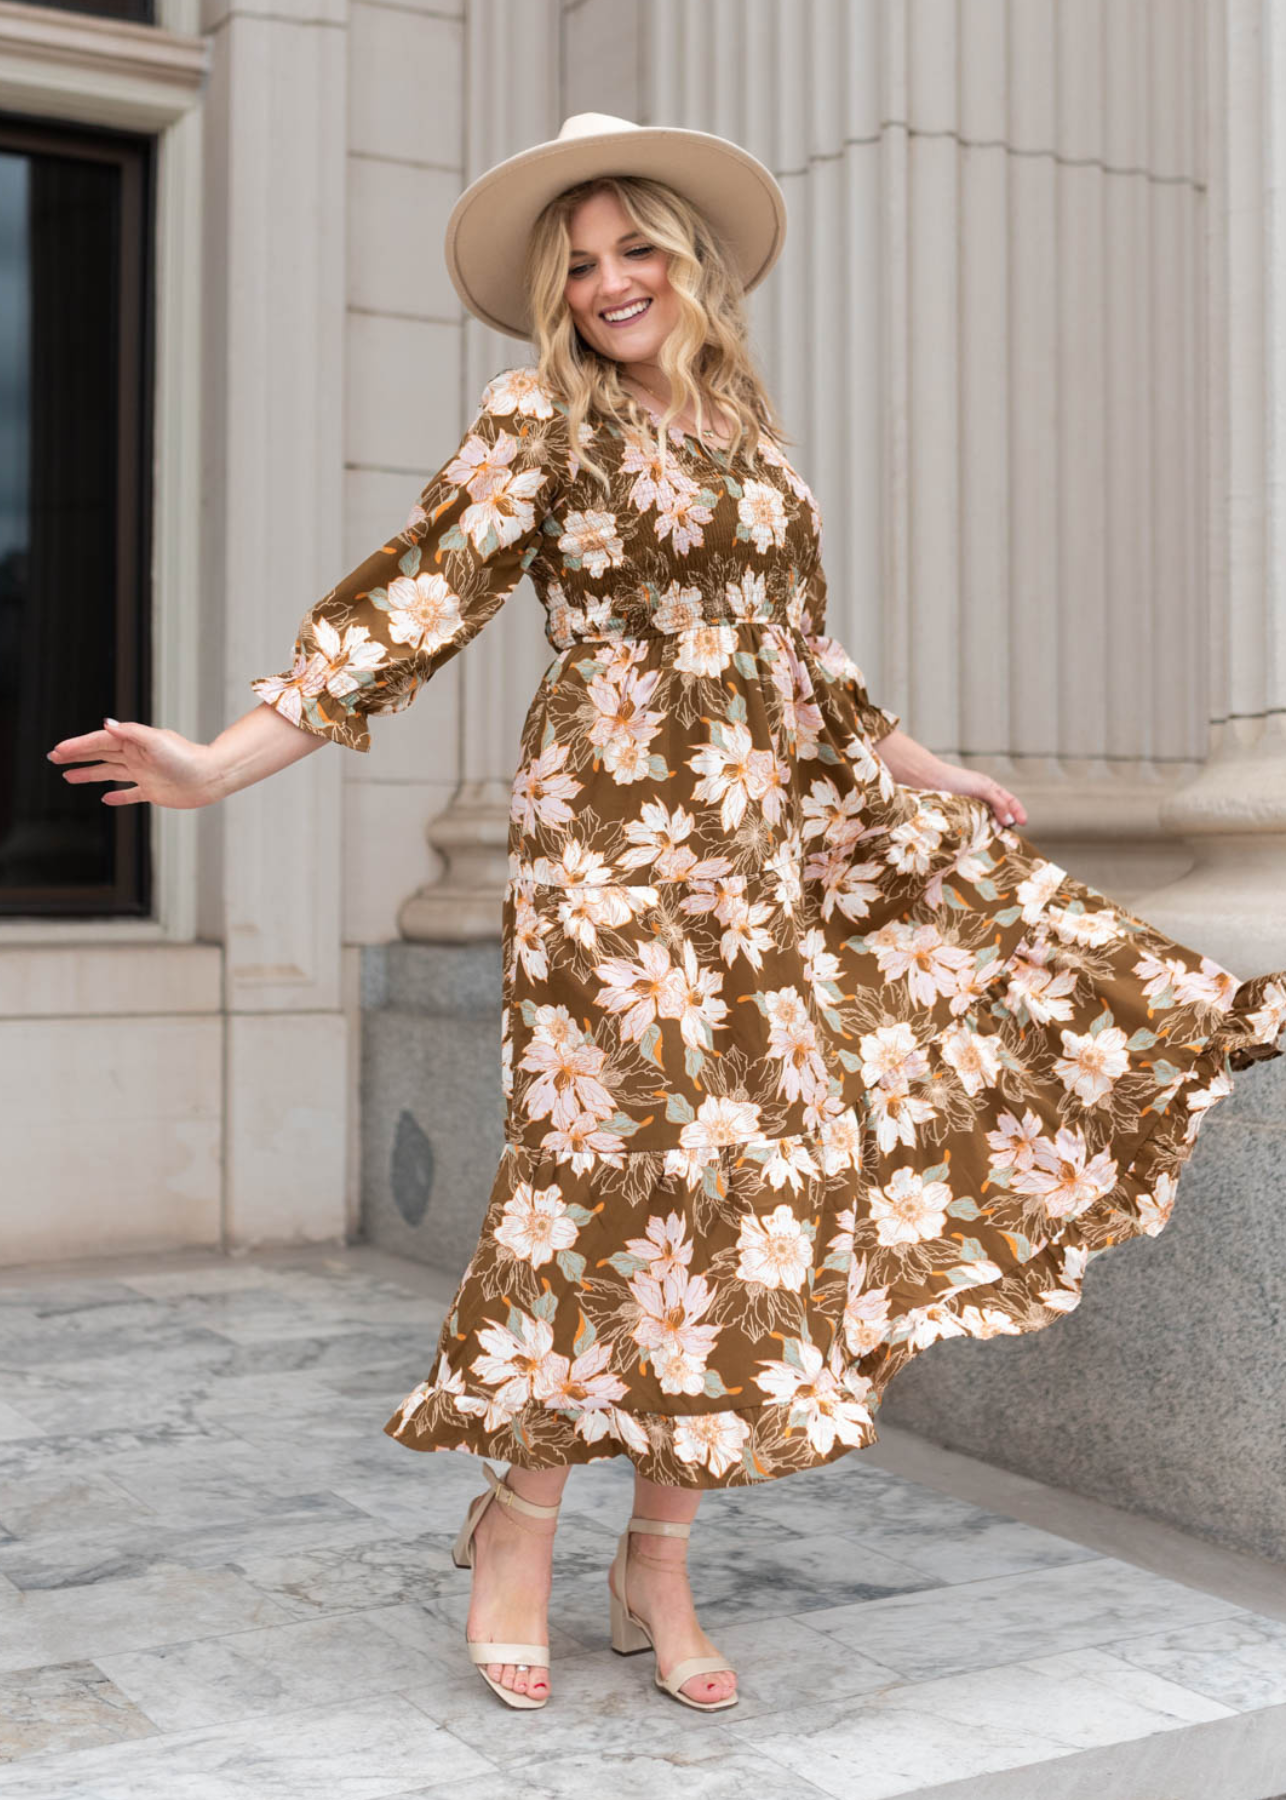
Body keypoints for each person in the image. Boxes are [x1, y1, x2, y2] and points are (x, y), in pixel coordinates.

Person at [46, 112, 1286, 1718]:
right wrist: (220, 759)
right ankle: (518, 1524)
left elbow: (804, 664)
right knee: (611, 1176)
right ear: (553, 298)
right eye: (579, 266)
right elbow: (408, 604)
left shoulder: (752, 442)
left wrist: (923, 766)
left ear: (689, 266)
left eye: (635, 251)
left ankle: (657, 1557)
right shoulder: (534, 427)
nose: (611, 284)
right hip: (612, 854)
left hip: (756, 850)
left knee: (748, 1176)